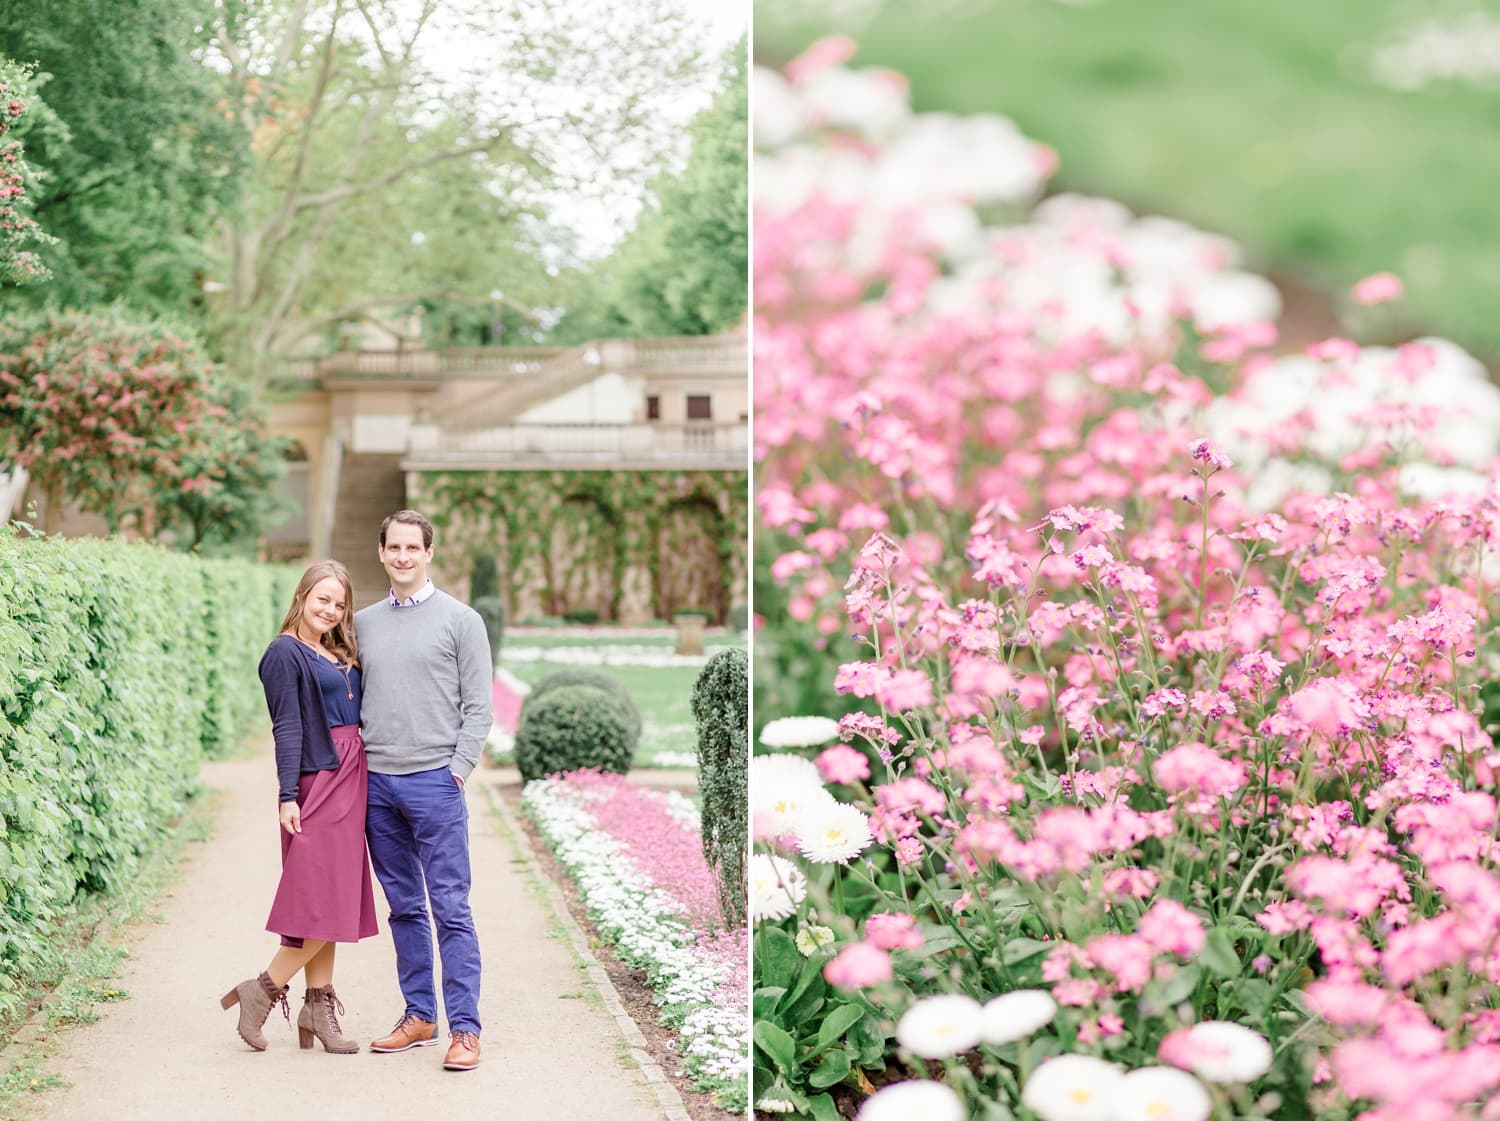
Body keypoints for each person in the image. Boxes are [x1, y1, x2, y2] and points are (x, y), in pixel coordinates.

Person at [221, 560, 378, 1054]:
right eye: (323, 598)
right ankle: (263, 990)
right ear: (303, 595)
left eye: (340, 603)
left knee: (329, 897)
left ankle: (317, 1005)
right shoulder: (283, 654)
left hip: (354, 776)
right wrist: (287, 794)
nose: (331, 609)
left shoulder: (333, 649)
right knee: (320, 896)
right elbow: (286, 726)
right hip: (320, 780)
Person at [355, 510, 493, 1072]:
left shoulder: (462, 621)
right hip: (378, 786)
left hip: (436, 782)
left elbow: (479, 706)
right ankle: (420, 1016)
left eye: (414, 547)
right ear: (382, 552)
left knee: (451, 909)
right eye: (394, 548)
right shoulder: (362, 623)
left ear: (429, 553)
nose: (404, 556)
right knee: (404, 908)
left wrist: (457, 770)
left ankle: (465, 1029)